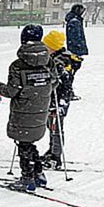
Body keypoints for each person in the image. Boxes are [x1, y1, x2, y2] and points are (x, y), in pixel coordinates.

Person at [0, 25, 56, 192]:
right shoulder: (49, 61)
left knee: (23, 145)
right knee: (29, 142)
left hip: (23, 111)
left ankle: (27, 178)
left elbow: (11, 91)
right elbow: (54, 82)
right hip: (40, 110)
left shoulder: (18, 65)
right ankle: (39, 174)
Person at [41, 30, 74, 169]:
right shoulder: (54, 58)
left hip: (59, 100)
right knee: (51, 126)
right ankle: (51, 151)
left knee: (57, 129)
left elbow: (65, 82)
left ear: (53, 47)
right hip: (52, 99)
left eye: (46, 46)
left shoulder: (62, 61)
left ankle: (56, 157)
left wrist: (57, 72)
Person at [65, 3, 88, 96]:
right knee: (71, 71)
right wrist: (79, 46)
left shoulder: (74, 20)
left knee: (71, 71)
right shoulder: (75, 22)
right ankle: (68, 91)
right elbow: (75, 37)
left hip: (73, 49)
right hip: (74, 50)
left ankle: (68, 90)